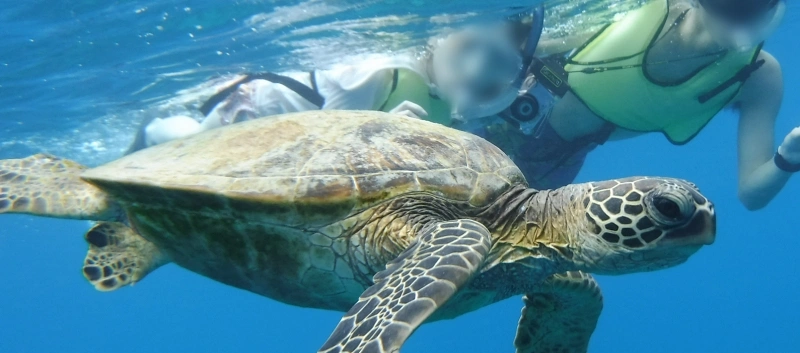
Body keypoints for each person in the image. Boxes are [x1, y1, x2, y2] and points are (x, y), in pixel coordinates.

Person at [484, 0, 799, 210]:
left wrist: (788, 158)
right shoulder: (640, 6)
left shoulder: (758, 76)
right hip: (490, 106)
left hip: (550, 163)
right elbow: (518, 36)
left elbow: (751, 195)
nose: (741, 11)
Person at [128, 13, 541, 153]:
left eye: (499, 67)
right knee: (188, 141)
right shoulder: (383, 73)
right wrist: (373, 132)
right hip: (252, 108)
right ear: (440, 40)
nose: (475, 72)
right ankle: (152, 129)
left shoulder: (461, 109)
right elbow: (326, 146)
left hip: (290, 141)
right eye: (467, 49)